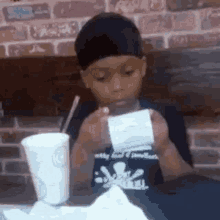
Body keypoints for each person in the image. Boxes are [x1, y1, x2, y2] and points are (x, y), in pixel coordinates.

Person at [60, 12, 195, 198]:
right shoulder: (80, 118)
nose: (117, 87)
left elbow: (188, 187)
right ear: (86, 79)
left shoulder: (164, 115)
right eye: (101, 77)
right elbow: (69, 191)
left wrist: (165, 148)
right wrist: (84, 148)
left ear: (142, 68)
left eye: (128, 72)